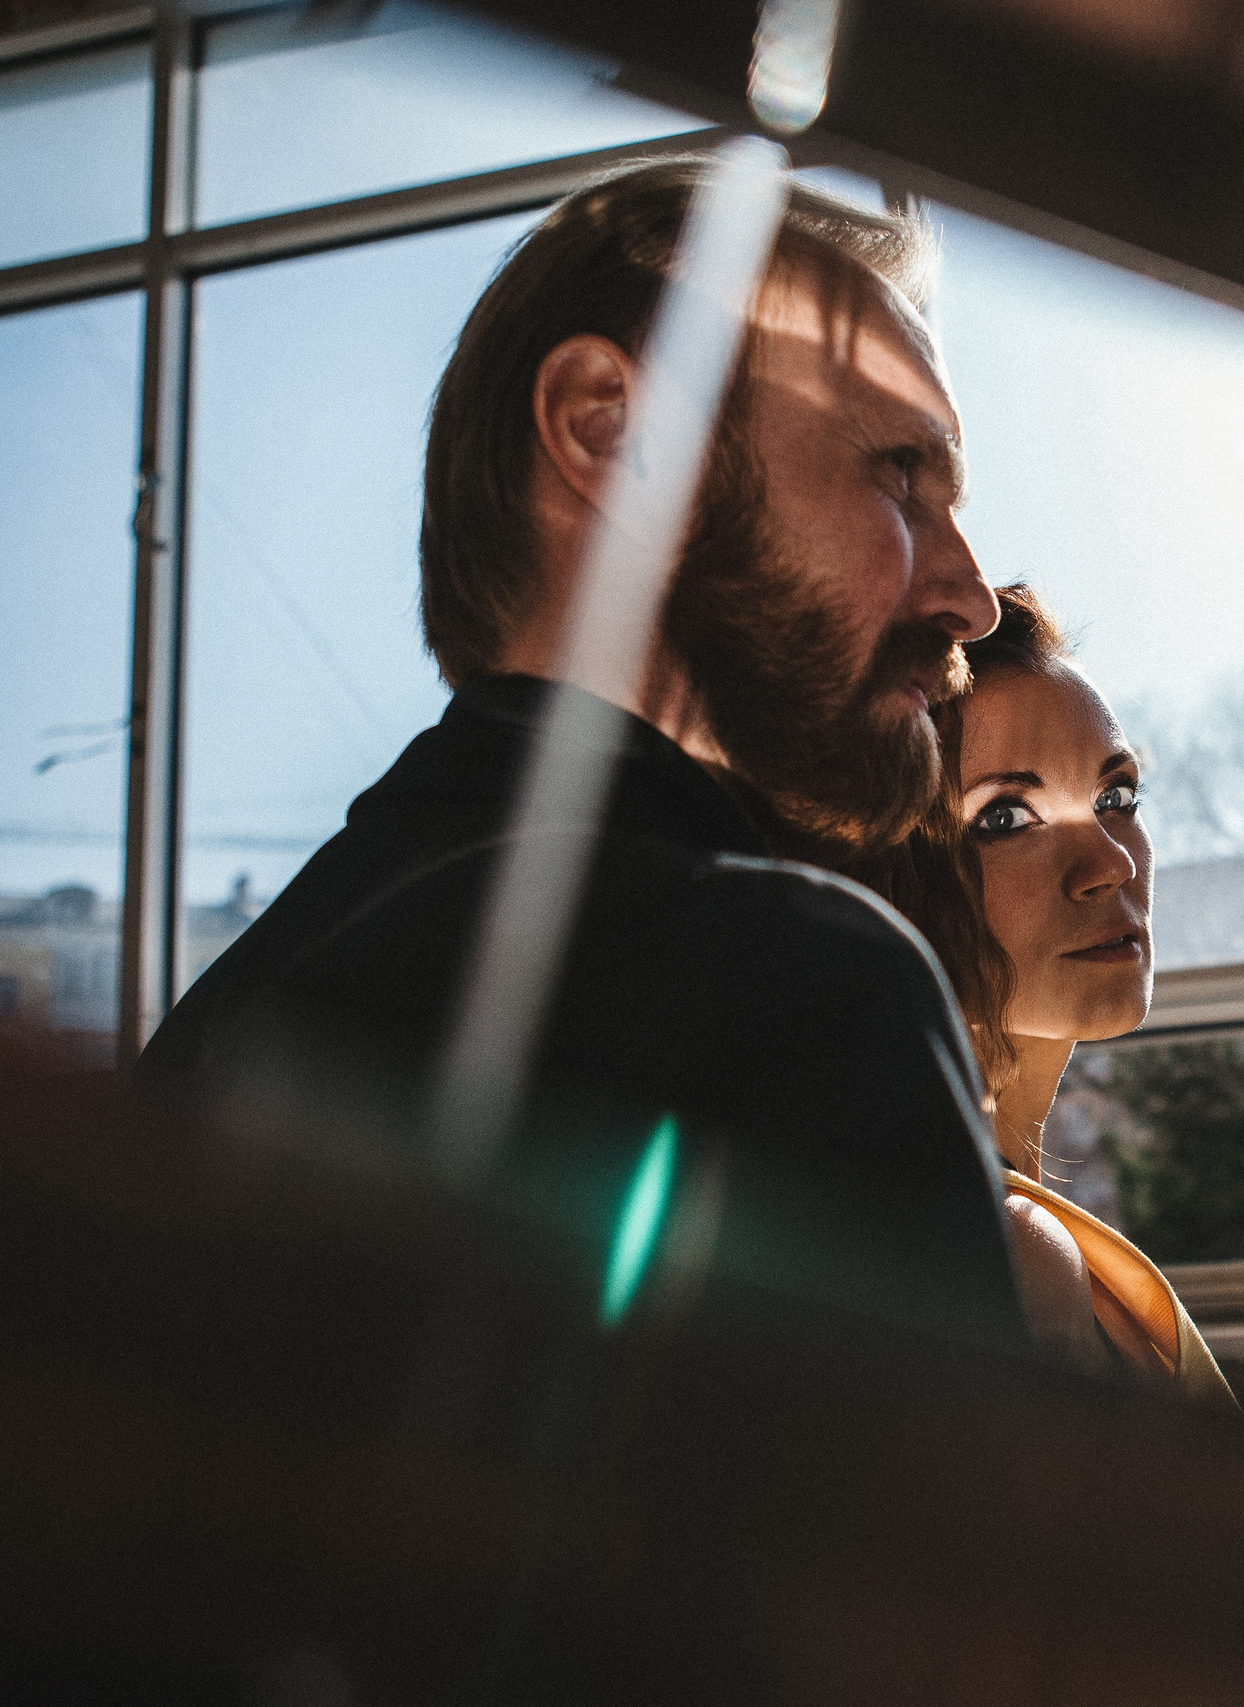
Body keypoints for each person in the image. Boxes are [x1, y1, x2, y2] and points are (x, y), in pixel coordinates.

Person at [137, 156, 1027, 1352]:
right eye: (900, 474)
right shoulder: (788, 984)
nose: (972, 597)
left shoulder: (211, 1050)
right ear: (611, 432)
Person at [848, 585, 1234, 1405]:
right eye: (1005, 817)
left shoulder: (1001, 1224)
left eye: (1116, 799)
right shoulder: (1013, 1257)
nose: (1113, 864)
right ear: (889, 876)